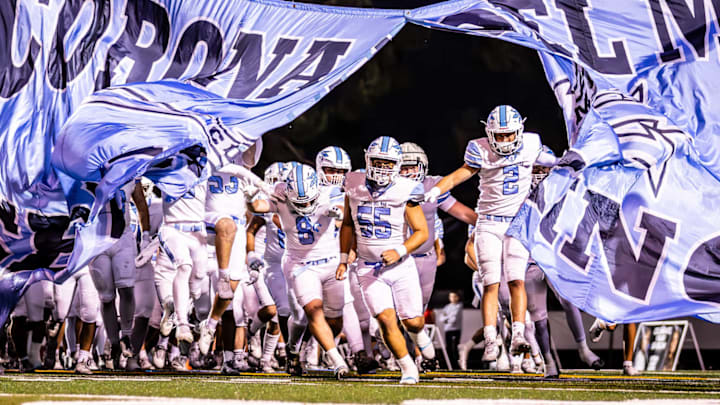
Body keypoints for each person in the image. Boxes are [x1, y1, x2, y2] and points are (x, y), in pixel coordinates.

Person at [426, 105, 557, 363]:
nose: (505, 140)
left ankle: (518, 335)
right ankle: (489, 340)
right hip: (488, 223)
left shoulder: (532, 145)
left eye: (509, 135)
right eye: (500, 135)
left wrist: (579, 162)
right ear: (489, 133)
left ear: (519, 132)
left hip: (517, 223)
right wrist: (437, 189)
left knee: (517, 280)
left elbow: (556, 163)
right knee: (491, 283)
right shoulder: (480, 149)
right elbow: (459, 174)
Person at [336, 136, 432, 385]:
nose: (381, 167)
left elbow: (421, 231)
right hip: (368, 268)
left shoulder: (406, 188)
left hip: (400, 266)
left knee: (412, 320)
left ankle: (419, 335)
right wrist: (344, 258)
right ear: (368, 160)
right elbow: (347, 224)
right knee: (386, 318)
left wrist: (400, 250)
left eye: (388, 163)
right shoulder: (353, 183)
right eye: (377, 161)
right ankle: (408, 367)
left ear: (397, 165)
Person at [265, 163, 350, 378]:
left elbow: (343, 211)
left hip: (330, 262)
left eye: (310, 201)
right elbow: (259, 206)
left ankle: (294, 349)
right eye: (299, 202)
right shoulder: (281, 193)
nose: (305, 206)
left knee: (335, 319)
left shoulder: (329, 192)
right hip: (300, 264)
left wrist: (335, 212)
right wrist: (249, 200)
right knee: (311, 311)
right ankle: (337, 361)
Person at [439, 291, 463, 370]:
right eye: (451, 296)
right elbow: (441, 318)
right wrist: (447, 318)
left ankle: (457, 366)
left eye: (454, 296)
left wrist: (446, 318)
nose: (452, 298)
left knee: (455, 348)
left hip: (456, 330)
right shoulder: (447, 307)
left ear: (457, 297)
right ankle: (449, 365)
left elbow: (454, 319)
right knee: (448, 348)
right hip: (448, 330)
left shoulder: (459, 306)